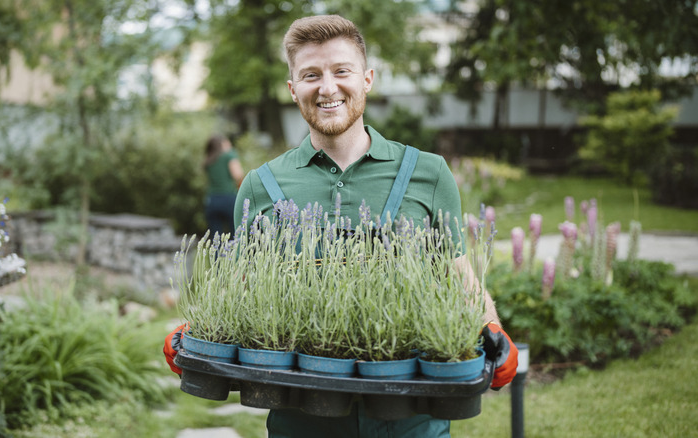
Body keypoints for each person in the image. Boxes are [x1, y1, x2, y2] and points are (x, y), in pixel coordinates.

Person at [165, 15, 518, 437]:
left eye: (341, 71)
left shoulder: (428, 173)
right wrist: (198, 331)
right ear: (292, 88)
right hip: (303, 418)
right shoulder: (261, 186)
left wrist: (492, 328)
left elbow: (460, 277)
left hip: (411, 420)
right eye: (310, 75)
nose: (327, 88)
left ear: (367, 78)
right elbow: (239, 287)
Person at [203, 135, 244, 236]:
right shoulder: (229, 155)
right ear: (222, 144)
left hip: (211, 200)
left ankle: (217, 252)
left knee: (216, 237)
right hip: (228, 198)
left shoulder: (209, 160)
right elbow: (238, 175)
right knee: (236, 234)